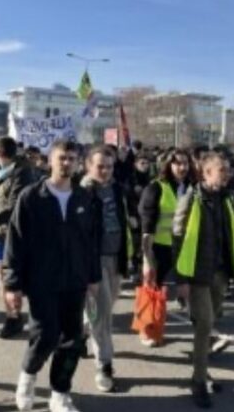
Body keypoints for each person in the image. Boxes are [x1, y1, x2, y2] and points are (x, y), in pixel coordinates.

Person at [5, 140, 102, 412]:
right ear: (50, 160)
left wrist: (93, 277)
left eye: (72, 158)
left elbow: (90, 241)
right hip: (42, 280)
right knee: (45, 335)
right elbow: (16, 241)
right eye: (62, 158)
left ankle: (60, 393)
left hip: (75, 280)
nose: (67, 163)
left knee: (72, 339)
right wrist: (12, 284)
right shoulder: (31, 197)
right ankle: (27, 375)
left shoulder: (84, 198)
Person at [173, 151, 234, 409]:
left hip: (220, 274)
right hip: (196, 275)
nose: (227, 174)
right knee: (204, 324)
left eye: (228, 170)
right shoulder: (190, 200)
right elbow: (178, 241)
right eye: (222, 170)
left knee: (211, 320)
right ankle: (197, 381)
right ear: (206, 173)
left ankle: (202, 366)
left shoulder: (227, 199)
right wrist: (181, 278)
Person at [80, 146, 133, 393]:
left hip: (116, 258)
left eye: (109, 166)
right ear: (88, 166)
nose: (105, 171)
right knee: (103, 317)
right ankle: (104, 365)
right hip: (93, 260)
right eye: (100, 166)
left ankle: (82, 330)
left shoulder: (116, 188)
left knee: (103, 309)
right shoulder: (82, 192)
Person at [139, 148, 194, 345]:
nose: (182, 167)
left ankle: (204, 336)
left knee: (191, 290)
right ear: (168, 165)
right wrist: (147, 257)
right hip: (159, 247)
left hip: (185, 247)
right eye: (177, 163)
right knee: (153, 290)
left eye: (185, 163)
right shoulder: (156, 188)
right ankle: (148, 331)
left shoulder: (192, 188)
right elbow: (147, 225)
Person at [0, 137, 35, 339]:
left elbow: (16, 202)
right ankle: (12, 317)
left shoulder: (23, 172)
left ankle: (30, 315)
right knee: (2, 273)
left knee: (19, 274)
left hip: (16, 231)